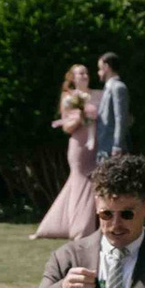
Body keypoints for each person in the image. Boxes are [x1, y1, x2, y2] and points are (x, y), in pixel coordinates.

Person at [33, 154, 145, 288]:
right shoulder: (68, 257)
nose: (115, 224)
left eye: (127, 214)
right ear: (97, 205)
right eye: (106, 214)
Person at [33, 71, 99, 244]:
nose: (85, 75)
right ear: (73, 78)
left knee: (78, 185)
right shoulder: (69, 98)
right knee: (81, 182)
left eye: (86, 72)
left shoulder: (97, 94)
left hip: (95, 143)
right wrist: (80, 117)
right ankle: (81, 229)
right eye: (80, 73)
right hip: (79, 145)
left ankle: (57, 224)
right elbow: (66, 127)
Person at [90, 52, 134, 165]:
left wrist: (117, 146)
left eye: (99, 69)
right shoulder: (107, 88)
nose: (98, 73)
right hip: (104, 148)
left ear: (106, 67)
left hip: (113, 150)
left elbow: (121, 118)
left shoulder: (118, 87)